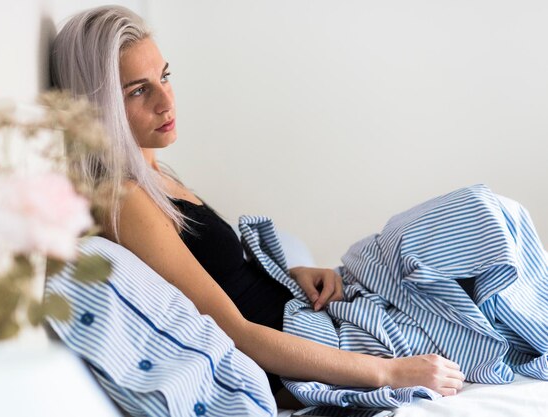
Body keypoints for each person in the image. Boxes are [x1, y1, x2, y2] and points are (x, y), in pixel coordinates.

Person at [50, 5, 466, 401]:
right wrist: (388, 373)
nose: (166, 101)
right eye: (139, 91)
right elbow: (235, 331)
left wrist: (291, 273)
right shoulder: (125, 199)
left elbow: (230, 275)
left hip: (311, 316)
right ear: (98, 106)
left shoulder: (156, 175)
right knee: (476, 223)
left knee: (461, 241)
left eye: (165, 76)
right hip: (301, 353)